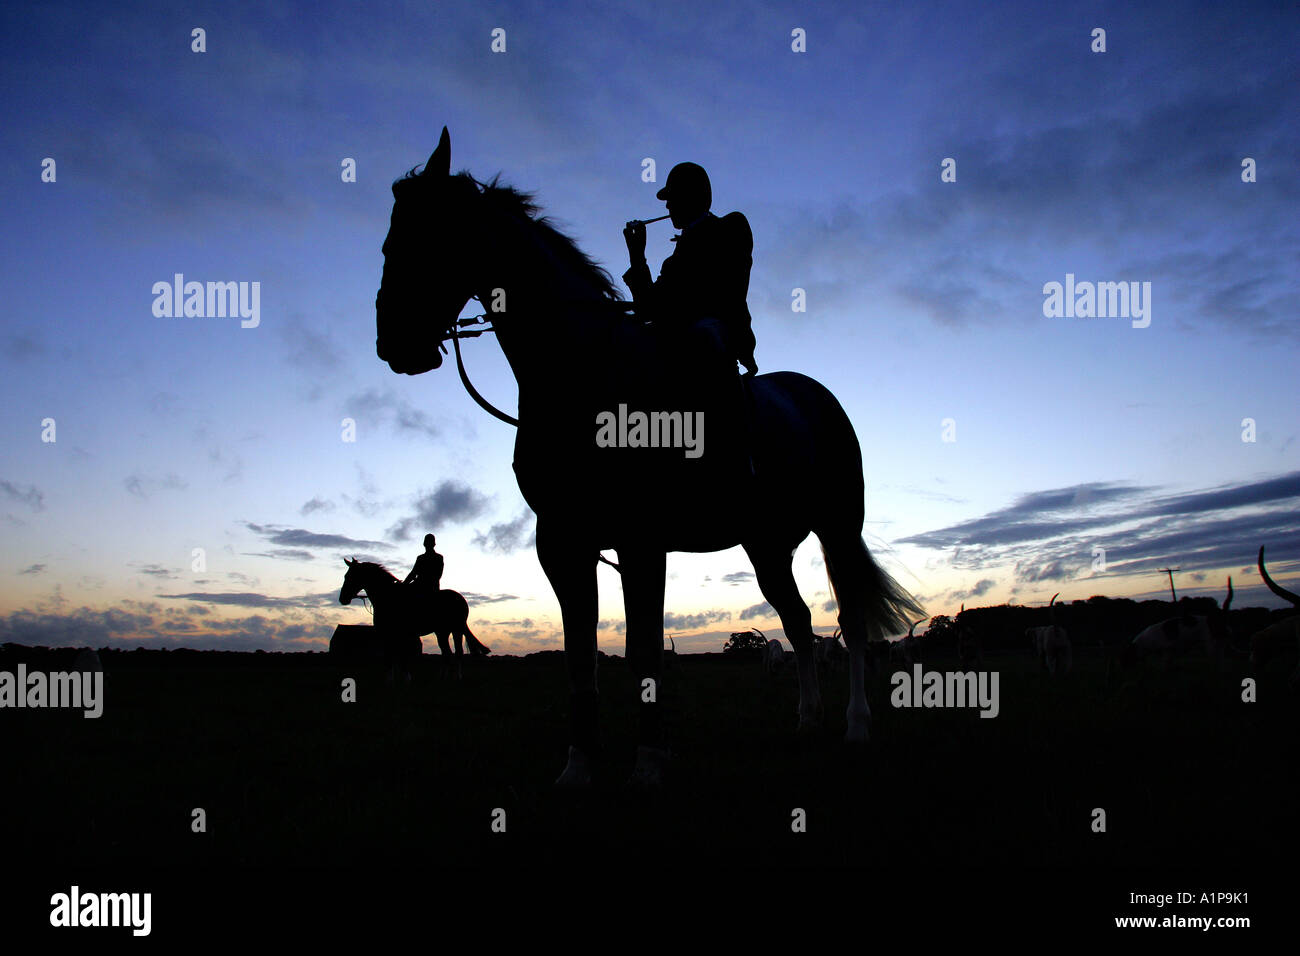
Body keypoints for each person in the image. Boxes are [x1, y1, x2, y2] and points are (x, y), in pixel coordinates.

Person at [622, 162, 758, 379]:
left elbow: (727, 289)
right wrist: (637, 257)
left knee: (703, 333)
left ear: (691, 196)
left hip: (714, 337)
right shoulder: (674, 260)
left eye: (672, 198)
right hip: (682, 338)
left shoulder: (730, 227)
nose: (667, 207)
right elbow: (648, 307)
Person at [404, 533, 444, 601]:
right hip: (419, 585)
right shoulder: (420, 558)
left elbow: (437, 576)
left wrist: (420, 581)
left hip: (430, 588)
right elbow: (413, 573)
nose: (428, 545)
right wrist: (404, 584)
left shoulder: (439, 558)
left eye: (429, 542)